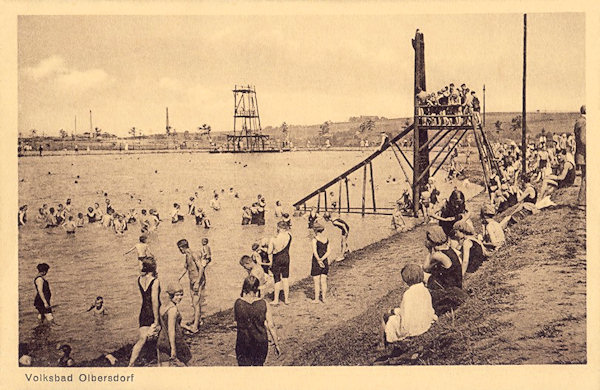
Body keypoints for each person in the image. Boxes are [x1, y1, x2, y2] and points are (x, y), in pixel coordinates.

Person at [383, 263, 437, 345]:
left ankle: (385, 343)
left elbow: (406, 316)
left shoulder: (408, 294)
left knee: (389, 318)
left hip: (413, 328)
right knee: (393, 313)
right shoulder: (425, 290)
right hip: (425, 322)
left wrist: (394, 312)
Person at [234, 275, 281, 366]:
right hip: (260, 342)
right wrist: (276, 343)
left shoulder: (238, 303)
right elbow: (271, 326)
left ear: (244, 287)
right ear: (257, 288)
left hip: (243, 343)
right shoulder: (264, 303)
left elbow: (236, 322)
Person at [422, 226, 467, 315]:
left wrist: (430, 250)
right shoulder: (449, 250)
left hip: (449, 290)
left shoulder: (438, 256)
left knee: (421, 274)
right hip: (455, 285)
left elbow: (425, 268)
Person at [128, 258, 161, 366]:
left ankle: (131, 364)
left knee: (142, 339)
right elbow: (154, 301)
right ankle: (160, 358)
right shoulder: (155, 281)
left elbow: (144, 297)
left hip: (143, 311)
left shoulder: (140, 279)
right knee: (161, 334)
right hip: (152, 311)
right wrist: (156, 319)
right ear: (154, 267)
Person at [157, 283, 192, 366]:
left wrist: (187, 327)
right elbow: (171, 329)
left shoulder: (163, 307)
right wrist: (173, 348)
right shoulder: (173, 310)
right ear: (171, 295)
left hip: (162, 340)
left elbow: (168, 323)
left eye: (181, 295)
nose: (180, 298)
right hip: (175, 341)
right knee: (188, 361)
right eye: (177, 295)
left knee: (163, 367)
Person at [177, 239, 206, 332]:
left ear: (182, 248)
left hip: (198, 280)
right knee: (194, 302)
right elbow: (186, 268)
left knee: (195, 303)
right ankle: (199, 320)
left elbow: (201, 268)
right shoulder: (187, 256)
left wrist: (197, 282)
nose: (179, 250)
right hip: (192, 281)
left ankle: (195, 327)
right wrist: (178, 278)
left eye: (179, 248)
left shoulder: (194, 254)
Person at [268, 221, 292, 305]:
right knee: (285, 279)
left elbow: (269, 251)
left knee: (277, 279)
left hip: (277, 258)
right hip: (286, 257)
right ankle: (286, 299)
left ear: (278, 228)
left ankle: (276, 300)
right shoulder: (289, 236)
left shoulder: (273, 238)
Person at [310, 223, 331, 303]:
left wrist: (319, 260)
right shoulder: (326, 239)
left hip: (316, 261)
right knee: (323, 280)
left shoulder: (314, 239)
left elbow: (315, 252)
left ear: (315, 230)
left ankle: (316, 299)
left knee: (316, 281)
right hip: (325, 261)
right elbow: (329, 251)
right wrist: (322, 259)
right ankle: (324, 298)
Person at [574, 105, 586, 209]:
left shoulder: (579, 121)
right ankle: (582, 202)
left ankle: (582, 201)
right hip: (585, 155)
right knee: (586, 178)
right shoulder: (583, 122)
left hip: (581, 155)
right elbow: (583, 140)